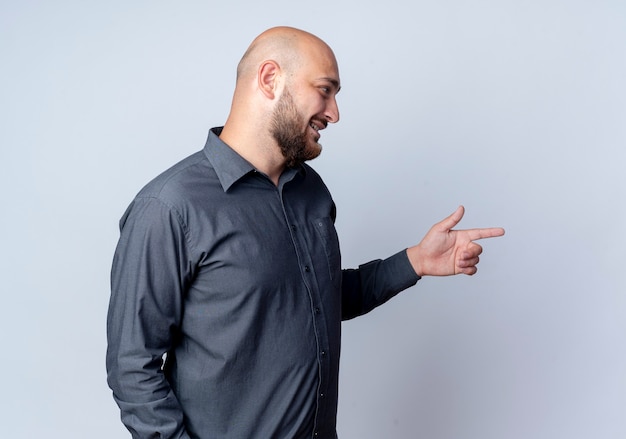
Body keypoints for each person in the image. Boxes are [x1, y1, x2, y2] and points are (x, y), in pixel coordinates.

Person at [106, 26, 505, 439]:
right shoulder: (169, 208)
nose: (334, 113)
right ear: (269, 79)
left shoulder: (310, 191)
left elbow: (317, 298)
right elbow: (132, 369)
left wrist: (414, 262)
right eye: (325, 90)